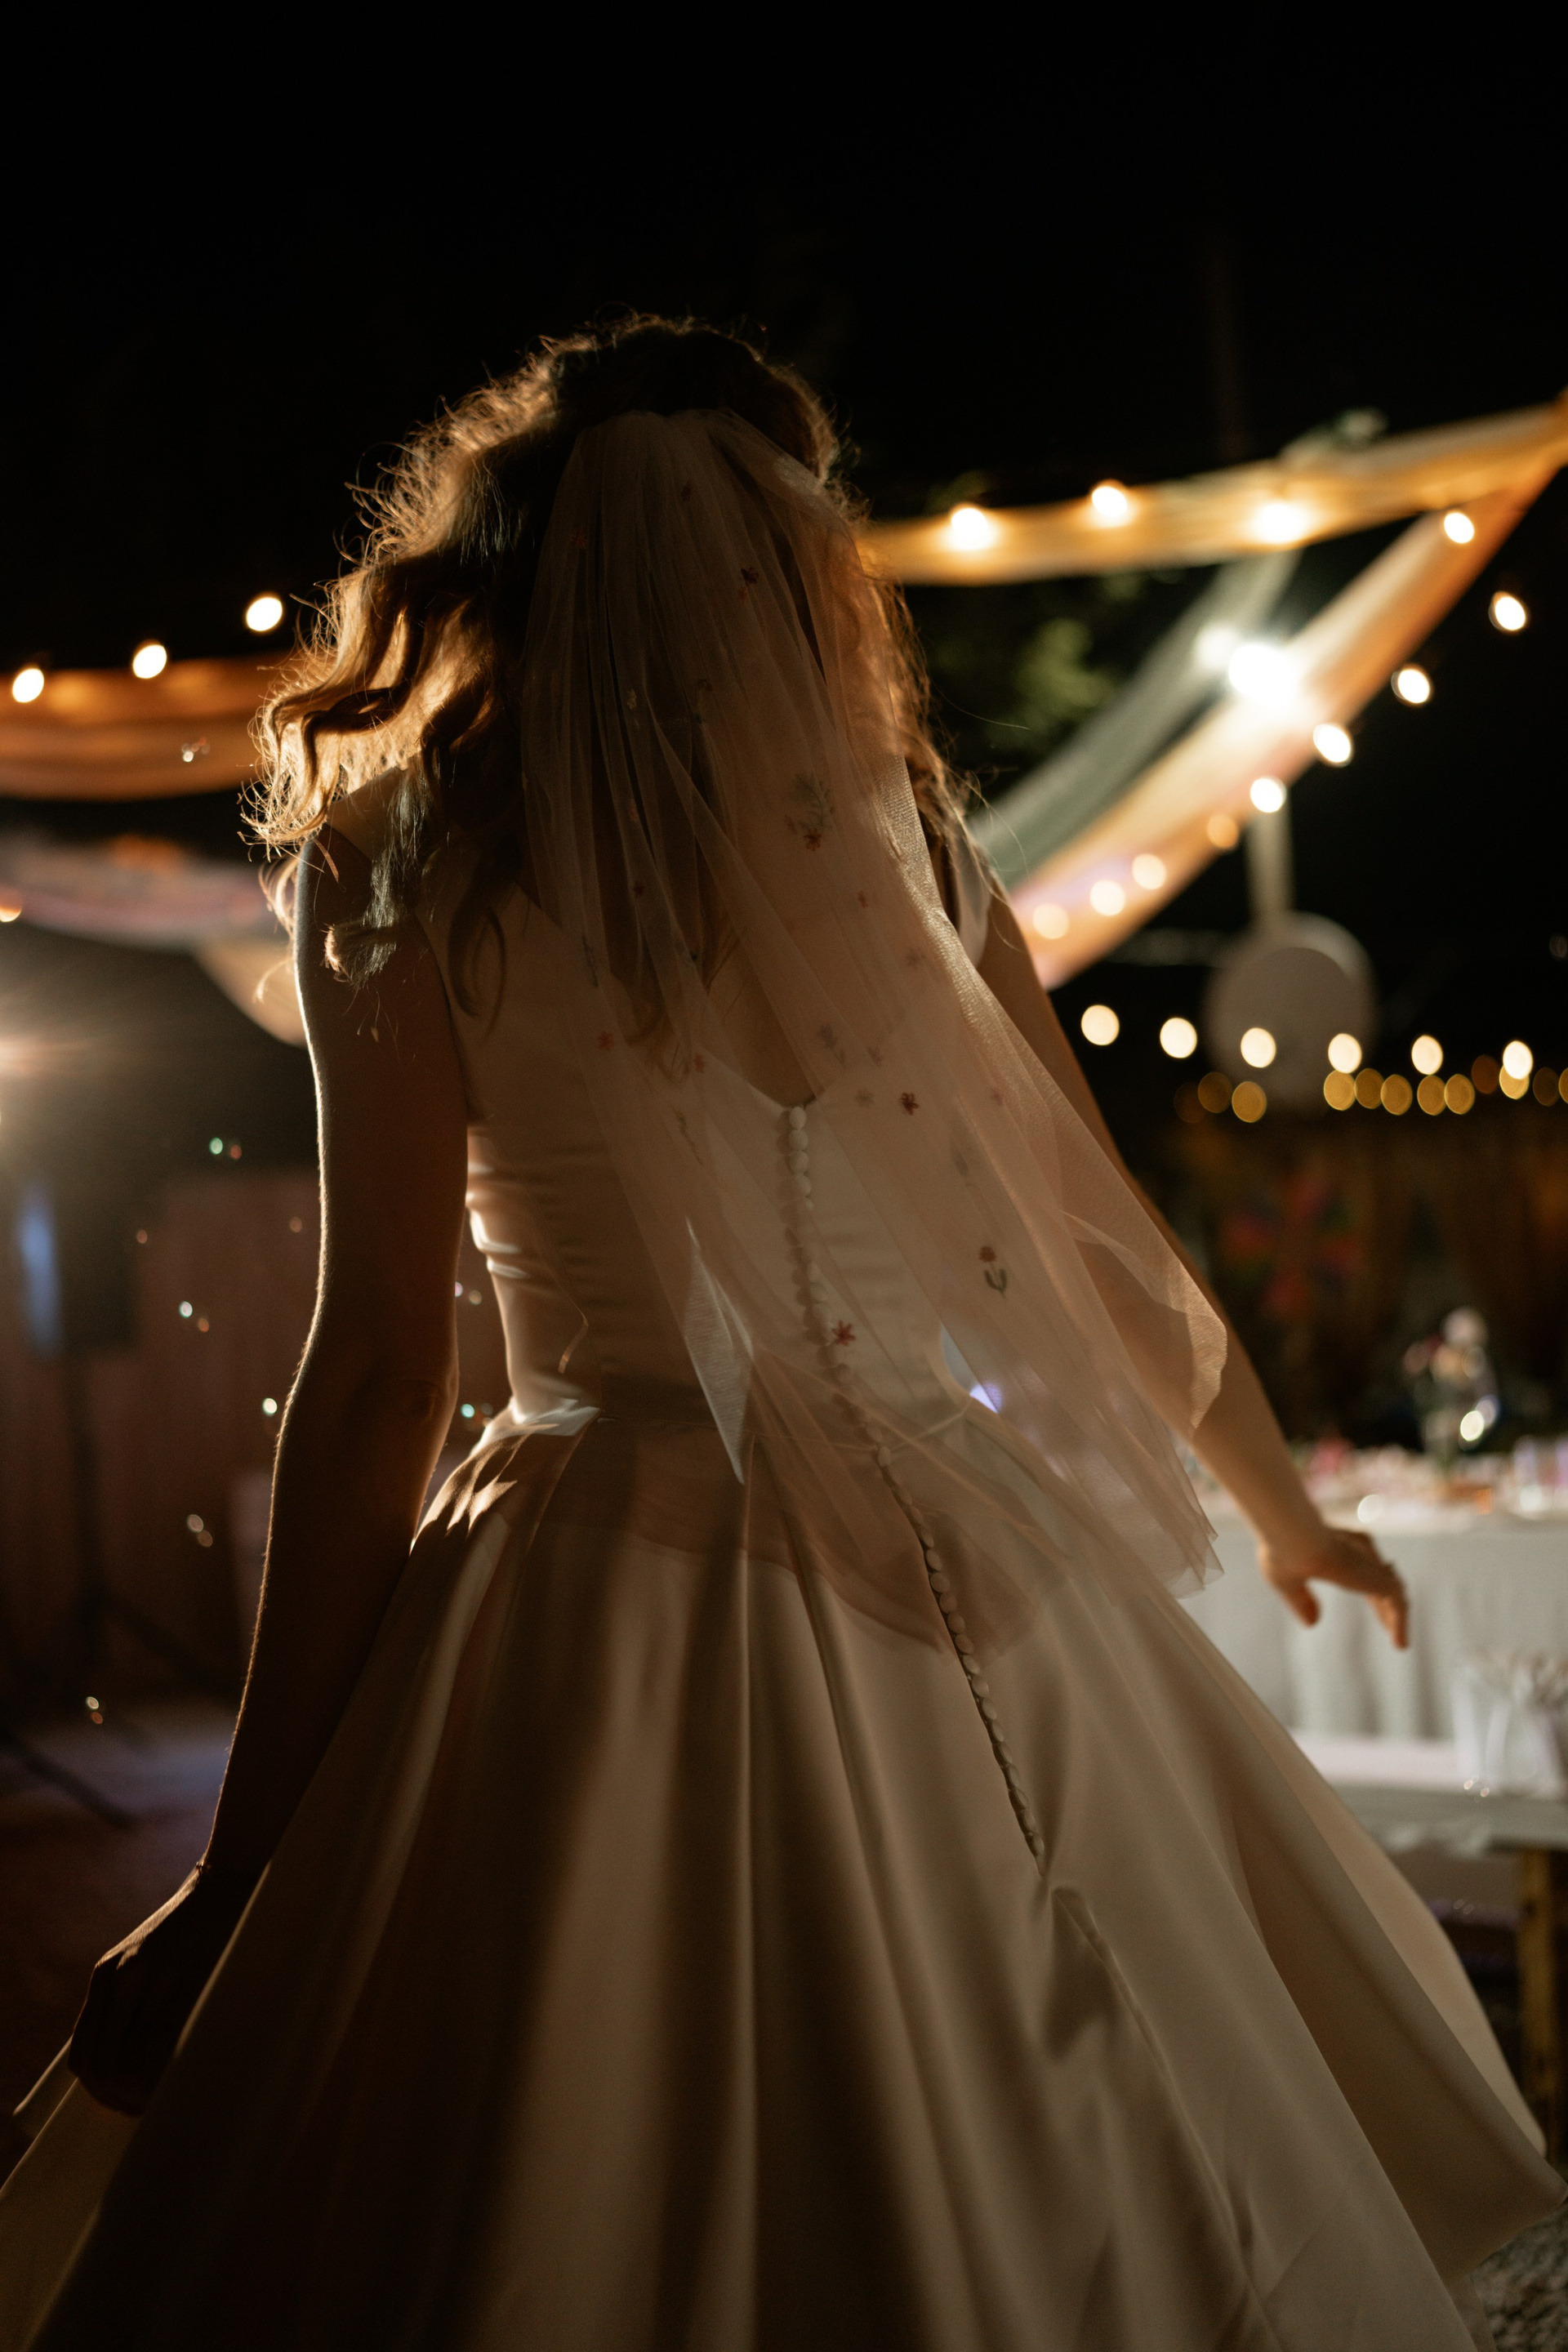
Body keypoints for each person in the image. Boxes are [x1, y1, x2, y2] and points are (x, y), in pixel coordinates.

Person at [0, 318, 1558, 2351]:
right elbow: (1107, 1248)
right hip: (977, 1550)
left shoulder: (405, 857)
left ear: (507, 558)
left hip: (587, 1560)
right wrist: (1279, 1512)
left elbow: (379, 1369)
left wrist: (240, 1881)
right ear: (798, 565)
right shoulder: (900, 849)